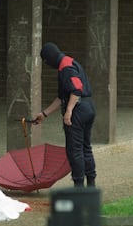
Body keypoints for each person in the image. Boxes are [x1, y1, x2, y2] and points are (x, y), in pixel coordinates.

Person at [33, 42, 96, 187]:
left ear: (49, 59)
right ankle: (91, 184)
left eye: (46, 61)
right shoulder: (70, 62)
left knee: (75, 150)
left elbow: (76, 89)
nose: (47, 64)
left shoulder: (66, 68)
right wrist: (45, 114)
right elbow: (62, 97)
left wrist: (68, 112)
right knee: (86, 147)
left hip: (78, 110)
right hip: (88, 107)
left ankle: (79, 187)